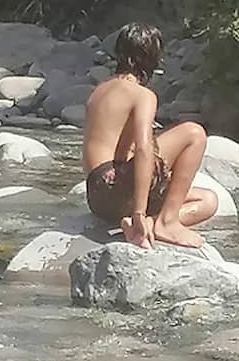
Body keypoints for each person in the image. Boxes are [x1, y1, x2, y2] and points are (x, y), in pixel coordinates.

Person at [82, 23, 217, 249]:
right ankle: (165, 223)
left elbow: (118, 151)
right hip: (118, 189)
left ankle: (151, 222)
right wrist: (138, 213)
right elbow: (144, 149)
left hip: (97, 198)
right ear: (151, 58)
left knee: (207, 200)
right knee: (194, 133)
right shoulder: (142, 95)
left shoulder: (99, 91)